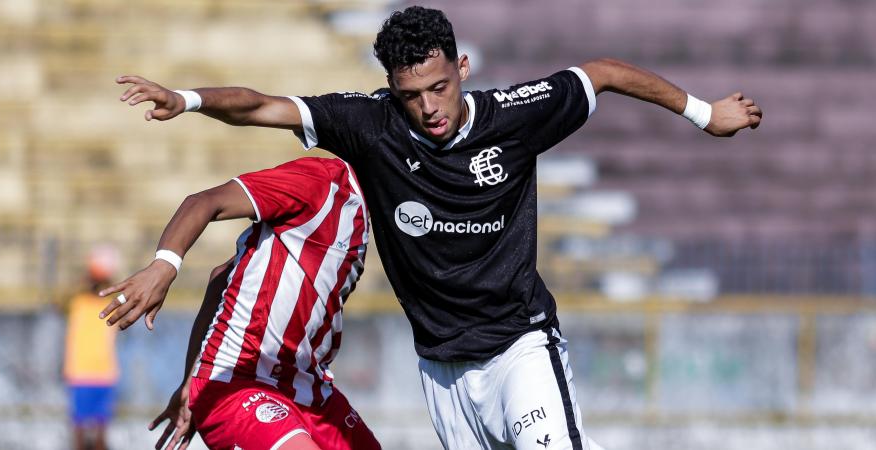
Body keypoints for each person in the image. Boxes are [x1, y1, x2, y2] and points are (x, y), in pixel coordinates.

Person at [111, 6, 763, 449]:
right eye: (411, 94)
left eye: (440, 87)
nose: (428, 107)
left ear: (463, 70)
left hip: (519, 350)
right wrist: (187, 101)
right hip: (442, 370)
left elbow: (605, 74)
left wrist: (705, 113)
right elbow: (260, 106)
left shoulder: (514, 116)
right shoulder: (370, 123)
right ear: (392, 89)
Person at [97, 157, 379, 450]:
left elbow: (222, 277)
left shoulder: (368, 220)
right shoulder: (323, 182)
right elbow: (204, 201)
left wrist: (186, 384)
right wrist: (164, 265)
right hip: (238, 381)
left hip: (308, 388)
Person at [63, 245, 121, 450]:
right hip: (84, 372)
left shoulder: (108, 303)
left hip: (100, 372)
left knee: (96, 435)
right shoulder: (78, 301)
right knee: (83, 434)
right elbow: (60, 300)